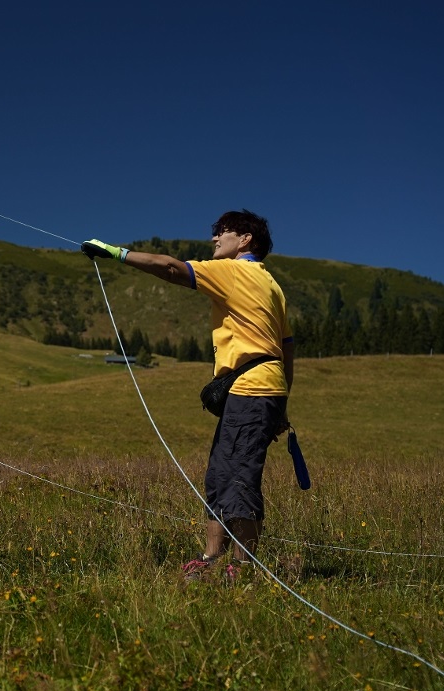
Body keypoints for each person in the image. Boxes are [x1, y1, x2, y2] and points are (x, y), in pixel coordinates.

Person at [82, 210, 293, 580]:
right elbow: (286, 347)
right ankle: (212, 559)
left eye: (223, 233)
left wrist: (116, 254)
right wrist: (281, 401)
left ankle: (243, 567)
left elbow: (170, 268)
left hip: (251, 388)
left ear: (246, 240)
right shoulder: (272, 285)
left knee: (240, 475)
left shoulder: (235, 271)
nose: (215, 239)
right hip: (259, 388)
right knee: (219, 474)